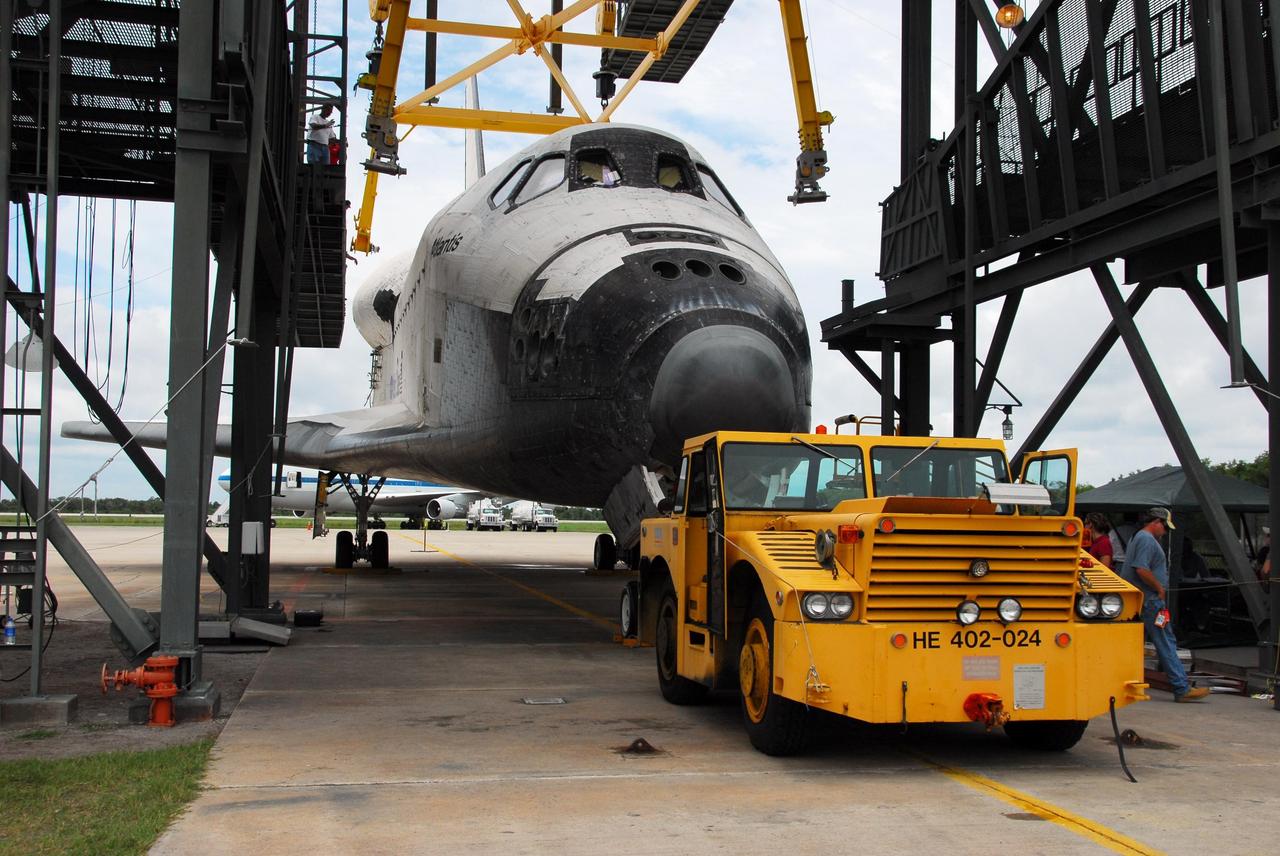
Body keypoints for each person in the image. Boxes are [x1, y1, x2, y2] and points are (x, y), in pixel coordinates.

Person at [1120, 507, 1209, 702]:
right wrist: (1159, 588)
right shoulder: (1146, 539)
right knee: (1166, 641)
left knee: (1138, 644)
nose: (1166, 531)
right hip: (1151, 600)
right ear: (1156, 522)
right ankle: (1181, 687)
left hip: (1141, 599)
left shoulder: (1139, 537)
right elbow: (1141, 569)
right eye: (1165, 527)